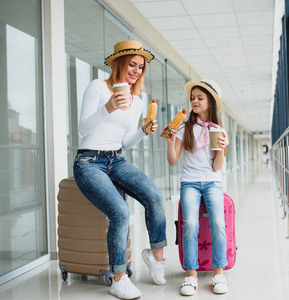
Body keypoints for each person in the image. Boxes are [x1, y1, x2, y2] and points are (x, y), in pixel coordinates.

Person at [73, 40, 167, 300]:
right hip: (89, 162)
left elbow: (124, 141)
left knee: (154, 196)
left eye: (140, 66)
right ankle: (118, 278)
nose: (136, 70)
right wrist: (109, 107)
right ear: (118, 63)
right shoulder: (98, 87)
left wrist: (143, 132)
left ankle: (156, 257)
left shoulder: (136, 101)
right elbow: (83, 128)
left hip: (117, 160)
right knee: (120, 212)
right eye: (132, 64)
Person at [162, 79, 229, 296]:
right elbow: (173, 161)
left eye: (200, 98)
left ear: (210, 102)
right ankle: (191, 275)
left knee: (218, 223)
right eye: (192, 98)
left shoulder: (218, 130)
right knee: (189, 224)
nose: (195, 101)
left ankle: (219, 273)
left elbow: (217, 166)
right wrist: (170, 142)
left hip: (212, 182)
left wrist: (222, 149)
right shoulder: (184, 128)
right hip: (189, 182)